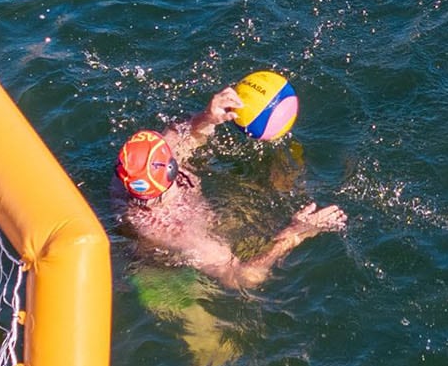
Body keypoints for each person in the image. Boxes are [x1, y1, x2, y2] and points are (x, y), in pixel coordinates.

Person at [113, 85, 344, 290]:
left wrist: (208, 117)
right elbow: (243, 277)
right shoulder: (184, 234)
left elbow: (179, 134)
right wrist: (293, 233)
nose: (169, 141)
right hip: (168, 275)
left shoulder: (131, 172)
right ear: (171, 169)